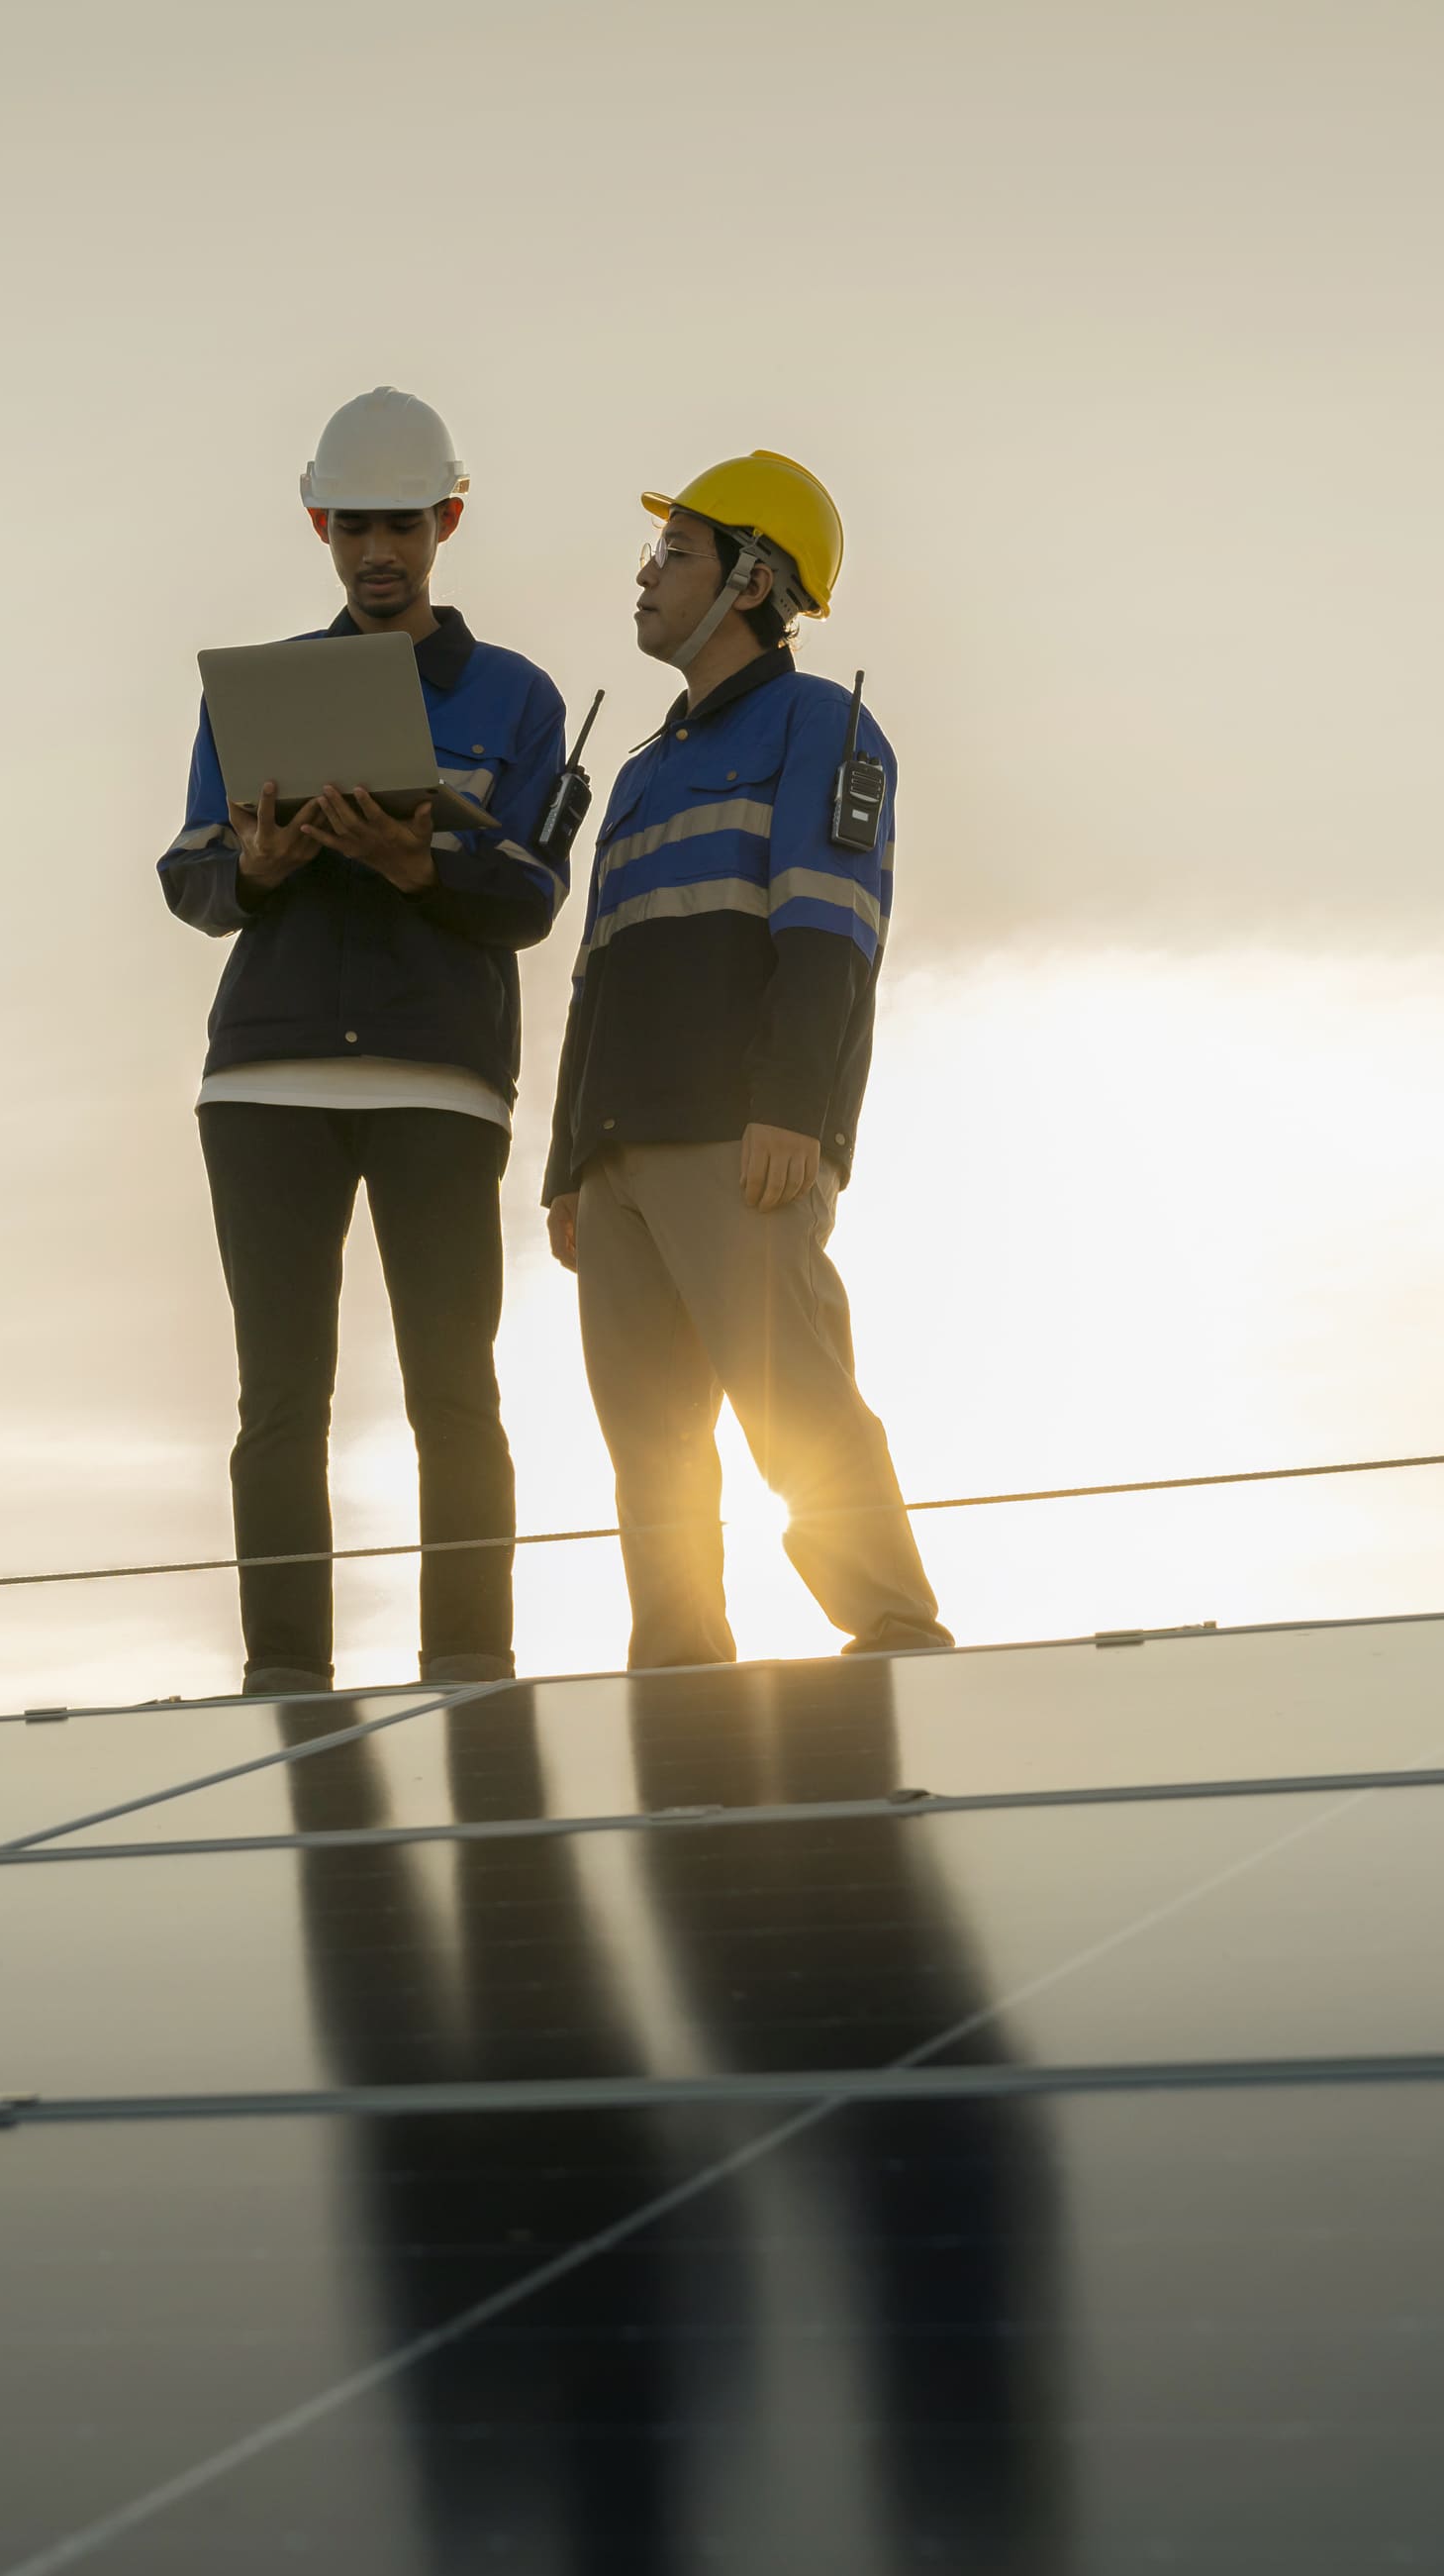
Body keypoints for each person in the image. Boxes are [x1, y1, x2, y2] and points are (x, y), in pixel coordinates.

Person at [157, 388, 572, 1697]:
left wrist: (419, 863)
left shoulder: (516, 698)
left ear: (447, 520)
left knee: (457, 1390)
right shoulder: (257, 694)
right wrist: (261, 864)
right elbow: (189, 875)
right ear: (319, 526)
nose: (376, 552)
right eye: (352, 529)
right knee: (280, 1404)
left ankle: (470, 1672)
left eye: (399, 525)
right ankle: (284, 1683)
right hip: (265, 1077)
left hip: (440, 1082)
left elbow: (532, 898)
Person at [538, 449, 951, 1668]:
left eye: (676, 553)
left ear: (753, 578)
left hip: (738, 1143)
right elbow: (596, 975)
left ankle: (892, 1624)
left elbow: (830, 937)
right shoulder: (640, 770)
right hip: (615, 1160)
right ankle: (677, 1665)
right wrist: (568, 1163)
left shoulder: (824, 726)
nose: (647, 573)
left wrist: (794, 1111)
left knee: (795, 1399)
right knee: (648, 1442)